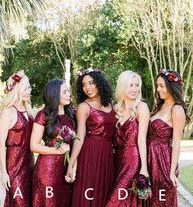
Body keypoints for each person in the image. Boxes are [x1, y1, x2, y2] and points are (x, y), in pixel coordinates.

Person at [66, 68, 117, 207]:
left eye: (91, 83)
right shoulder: (84, 107)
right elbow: (79, 136)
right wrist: (71, 164)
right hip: (90, 154)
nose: (87, 87)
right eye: (84, 84)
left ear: (100, 83)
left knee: (105, 193)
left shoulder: (112, 105)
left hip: (107, 155)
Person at [106, 70, 150, 207]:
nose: (135, 89)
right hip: (116, 161)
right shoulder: (115, 109)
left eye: (137, 85)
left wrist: (144, 167)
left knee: (114, 201)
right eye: (131, 85)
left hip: (133, 160)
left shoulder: (142, 107)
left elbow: (142, 139)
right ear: (123, 86)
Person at [31, 79, 76, 207]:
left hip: (66, 170)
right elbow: (34, 145)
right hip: (48, 171)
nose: (68, 94)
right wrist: (58, 150)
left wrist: (72, 167)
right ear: (54, 94)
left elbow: (75, 145)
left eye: (68, 91)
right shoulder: (43, 115)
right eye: (65, 92)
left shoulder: (71, 114)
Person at [147, 69, 188, 207]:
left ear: (171, 87)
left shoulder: (177, 109)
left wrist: (171, 172)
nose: (158, 89)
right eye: (157, 85)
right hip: (148, 157)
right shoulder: (159, 106)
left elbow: (176, 143)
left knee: (161, 200)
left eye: (161, 86)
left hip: (163, 160)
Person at [0, 70, 34, 207]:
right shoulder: (8, 111)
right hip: (14, 165)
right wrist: (4, 173)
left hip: (29, 163)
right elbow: (1, 144)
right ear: (17, 89)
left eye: (29, 87)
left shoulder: (29, 111)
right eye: (25, 88)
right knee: (18, 201)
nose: (28, 91)